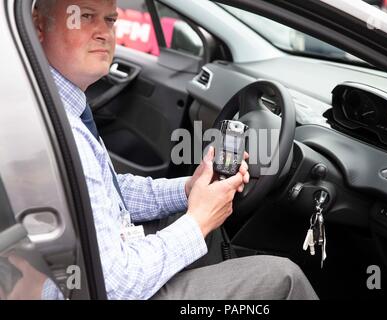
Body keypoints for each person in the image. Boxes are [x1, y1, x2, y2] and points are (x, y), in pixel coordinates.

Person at [25, 0, 318, 300]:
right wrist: (199, 219)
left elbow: (107, 193)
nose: (104, 33)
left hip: (87, 271)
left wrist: (190, 188)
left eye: (110, 20)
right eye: (85, 17)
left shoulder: (59, 107)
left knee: (205, 229)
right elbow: (113, 287)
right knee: (283, 279)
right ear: (38, 27)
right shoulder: (61, 130)